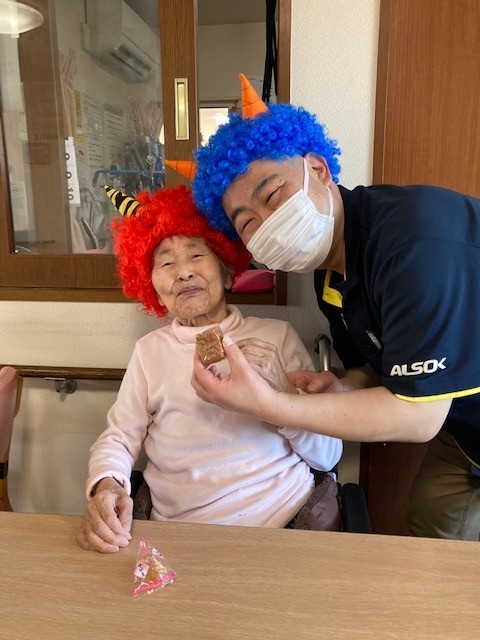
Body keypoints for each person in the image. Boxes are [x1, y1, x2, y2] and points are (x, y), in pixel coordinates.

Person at [189, 74, 480, 541]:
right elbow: (377, 368)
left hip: (434, 413)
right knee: (433, 533)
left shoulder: (414, 243)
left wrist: (273, 405)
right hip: (463, 431)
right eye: (247, 223)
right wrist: (343, 386)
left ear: (319, 169)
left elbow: (416, 416)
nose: (267, 223)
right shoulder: (328, 274)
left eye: (273, 196)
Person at [77, 184, 342, 553]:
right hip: (180, 535)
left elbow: (327, 456)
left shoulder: (277, 336)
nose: (184, 272)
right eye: (166, 262)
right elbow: (120, 437)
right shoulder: (149, 352)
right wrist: (107, 484)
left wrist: (282, 390)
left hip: (285, 523)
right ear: (151, 285)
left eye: (197, 254)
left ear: (228, 272)